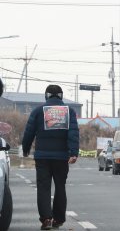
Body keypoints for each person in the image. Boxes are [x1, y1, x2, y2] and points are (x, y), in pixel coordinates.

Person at [22, 85, 79, 230]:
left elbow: (29, 132)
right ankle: (58, 219)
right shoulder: (69, 112)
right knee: (60, 187)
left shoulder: (37, 111)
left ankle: (46, 219)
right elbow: (73, 133)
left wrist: (25, 149)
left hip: (42, 157)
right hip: (61, 157)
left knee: (43, 187)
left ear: (46, 95)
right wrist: (73, 152)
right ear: (61, 96)